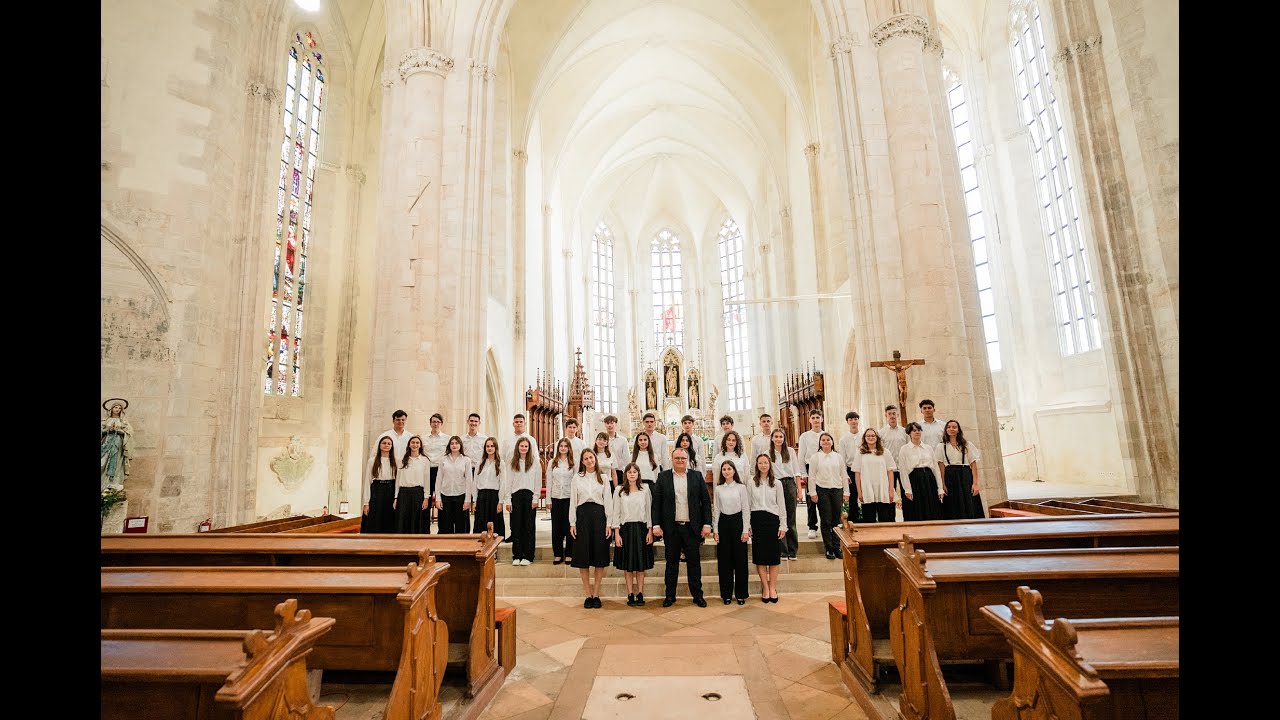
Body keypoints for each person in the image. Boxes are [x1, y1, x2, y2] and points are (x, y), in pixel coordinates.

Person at [651, 448, 713, 607]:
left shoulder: (696, 476)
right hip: (672, 528)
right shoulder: (663, 477)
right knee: (671, 563)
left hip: (692, 528)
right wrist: (656, 525)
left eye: (683, 458)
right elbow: (656, 503)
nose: (680, 461)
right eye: (677, 458)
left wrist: (707, 523)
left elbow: (706, 501)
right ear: (672, 459)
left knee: (694, 564)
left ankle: (697, 595)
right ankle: (670, 596)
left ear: (687, 460)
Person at [570, 448, 615, 608]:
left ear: (595, 459)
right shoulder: (577, 478)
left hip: (599, 517)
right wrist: (572, 523)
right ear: (582, 462)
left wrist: (609, 523)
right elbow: (573, 502)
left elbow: (608, 502)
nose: (589, 460)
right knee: (583, 557)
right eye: (586, 458)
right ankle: (587, 594)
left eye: (591, 457)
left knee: (599, 556)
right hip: (582, 516)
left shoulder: (603, 477)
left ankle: (596, 594)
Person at [613, 462, 654, 607]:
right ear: (625, 474)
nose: (632, 474)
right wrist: (616, 533)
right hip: (625, 529)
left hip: (642, 528)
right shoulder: (619, 490)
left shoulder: (645, 489)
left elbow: (649, 511)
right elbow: (616, 513)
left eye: (634, 472)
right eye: (629, 472)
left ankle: (640, 592)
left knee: (640, 565)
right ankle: (630, 593)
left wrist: (650, 530)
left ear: (638, 474)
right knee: (628, 565)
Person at [748, 453, 787, 602]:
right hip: (757, 520)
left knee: (773, 557)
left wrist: (783, 525)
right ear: (756, 465)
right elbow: (748, 505)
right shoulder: (751, 482)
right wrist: (748, 525)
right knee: (761, 558)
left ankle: (772, 587)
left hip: (772, 520)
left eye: (766, 463)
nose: (763, 465)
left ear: (770, 465)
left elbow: (782, 505)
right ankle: (765, 587)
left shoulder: (777, 483)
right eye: (760, 463)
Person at [713, 459, 751, 605]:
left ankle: (741, 594)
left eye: (729, 469)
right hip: (723, 523)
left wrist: (745, 529)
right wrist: (715, 529)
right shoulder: (718, 489)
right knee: (724, 561)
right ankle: (726, 594)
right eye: (724, 469)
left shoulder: (741, 487)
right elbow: (716, 509)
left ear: (734, 471)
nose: (727, 471)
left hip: (738, 522)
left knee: (740, 561)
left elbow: (746, 509)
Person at [807, 432, 850, 560]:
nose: (826, 442)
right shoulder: (815, 457)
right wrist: (813, 493)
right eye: (823, 440)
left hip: (837, 489)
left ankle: (837, 547)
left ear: (832, 442)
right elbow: (812, 476)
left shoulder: (838, 457)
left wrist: (846, 492)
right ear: (820, 443)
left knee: (836, 520)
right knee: (826, 519)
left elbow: (844, 474)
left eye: (828, 440)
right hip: (822, 490)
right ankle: (828, 548)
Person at [935, 420, 986, 519]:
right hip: (950, 476)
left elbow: (973, 465)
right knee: (953, 502)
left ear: (958, 430)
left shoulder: (967, 445)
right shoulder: (941, 446)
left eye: (954, 427)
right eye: (949, 427)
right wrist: (942, 484)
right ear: (946, 430)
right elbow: (941, 466)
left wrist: (975, 484)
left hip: (965, 474)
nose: (951, 429)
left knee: (968, 501)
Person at [504, 437, 542, 565]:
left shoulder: (535, 462)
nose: (524, 448)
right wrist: (508, 500)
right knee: (516, 526)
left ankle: (528, 555)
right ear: (517, 447)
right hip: (516, 496)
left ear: (529, 448)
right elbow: (508, 482)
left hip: (530, 496)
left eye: (526, 446)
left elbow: (537, 481)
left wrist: (536, 497)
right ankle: (517, 555)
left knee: (529, 526)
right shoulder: (512, 462)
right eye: (522, 446)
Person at [899, 422, 944, 521]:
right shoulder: (904, 449)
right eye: (914, 430)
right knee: (917, 508)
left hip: (929, 479)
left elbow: (935, 469)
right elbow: (903, 471)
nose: (917, 432)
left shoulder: (928, 448)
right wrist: (907, 489)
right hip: (914, 479)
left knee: (932, 507)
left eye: (919, 430)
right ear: (909, 433)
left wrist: (940, 488)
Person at [853, 428, 897, 523]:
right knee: (869, 520)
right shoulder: (860, 453)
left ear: (877, 437)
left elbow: (890, 472)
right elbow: (857, 474)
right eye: (868, 436)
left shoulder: (885, 452)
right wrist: (859, 492)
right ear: (864, 438)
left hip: (883, 489)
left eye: (873, 435)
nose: (871, 437)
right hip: (867, 490)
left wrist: (891, 490)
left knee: (885, 519)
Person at [769, 429, 800, 561]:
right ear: (772, 438)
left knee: (791, 518)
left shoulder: (791, 451)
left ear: (784, 438)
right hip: (775, 484)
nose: (778, 439)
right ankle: (783, 550)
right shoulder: (767, 453)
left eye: (780, 437)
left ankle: (793, 550)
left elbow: (797, 471)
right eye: (776, 437)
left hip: (789, 483)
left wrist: (798, 488)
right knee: (779, 517)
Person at [433, 435, 474, 534]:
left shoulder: (466, 460)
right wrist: (438, 498)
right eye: (452, 443)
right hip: (445, 495)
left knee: (462, 526)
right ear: (449, 446)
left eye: (456, 443)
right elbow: (438, 479)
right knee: (445, 526)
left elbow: (469, 481)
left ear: (460, 445)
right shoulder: (443, 460)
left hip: (461, 495)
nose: (454, 445)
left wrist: (468, 500)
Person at [796, 410, 826, 539]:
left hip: (824, 467)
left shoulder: (826, 434)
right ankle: (812, 526)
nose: (815, 420)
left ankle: (827, 524)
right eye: (813, 418)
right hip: (809, 468)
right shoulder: (805, 436)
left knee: (824, 496)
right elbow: (801, 455)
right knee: (811, 499)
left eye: (818, 417)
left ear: (822, 419)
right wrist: (803, 472)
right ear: (809, 420)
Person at [878, 405, 911, 520]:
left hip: (903, 468)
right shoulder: (881, 433)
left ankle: (908, 519)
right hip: (889, 469)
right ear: (886, 415)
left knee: (906, 492)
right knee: (890, 493)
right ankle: (891, 520)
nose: (892, 416)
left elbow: (908, 448)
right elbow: (880, 451)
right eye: (889, 414)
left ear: (897, 415)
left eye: (894, 413)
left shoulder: (904, 432)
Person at [360, 435, 398, 533]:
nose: (386, 445)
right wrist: (366, 503)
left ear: (392, 446)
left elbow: (398, 482)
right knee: (374, 519)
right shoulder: (372, 461)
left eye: (389, 444)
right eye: (384, 443)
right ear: (379, 445)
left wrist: (396, 498)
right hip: (376, 491)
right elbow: (368, 482)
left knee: (389, 519)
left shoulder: (395, 461)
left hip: (391, 490)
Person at [547, 438, 576, 565]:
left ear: (569, 448)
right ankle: (558, 554)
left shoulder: (573, 463)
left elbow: (576, 482)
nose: (563, 448)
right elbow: (549, 482)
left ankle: (569, 553)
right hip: (556, 497)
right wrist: (548, 499)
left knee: (569, 526)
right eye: (561, 446)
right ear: (558, 448)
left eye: (566, 446)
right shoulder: (552, 462)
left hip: (569, 497)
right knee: (556, 527)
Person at [394, 435, 430, 534]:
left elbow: (427, 480)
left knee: (416, 521)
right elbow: (398, 480)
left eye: (417, 443)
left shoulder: (424, 460)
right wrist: (396, 497)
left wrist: (426, 497)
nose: (415, 444)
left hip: (418, 493)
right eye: (413, 442)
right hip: (403, 493)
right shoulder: (402, 460)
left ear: (420, 445)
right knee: (403, 521)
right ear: (409, 445)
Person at [472, 437, 507, 536]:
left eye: (492, 446)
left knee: (494, 522)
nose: (490, 448)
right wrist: (474, 500)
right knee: (481, 522)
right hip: (482, 496)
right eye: (487, 446)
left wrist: (500, 501)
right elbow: (475, 482)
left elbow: (503, 483)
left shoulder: (501, 463)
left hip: (494, 496)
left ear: (496, 448)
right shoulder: (480, 462)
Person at [101, 399, 133, 489]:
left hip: (117, 444)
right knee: (103, 460)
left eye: (119, 408)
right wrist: (108, 430)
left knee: (115, 462)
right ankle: (102, 482)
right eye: (115, 407)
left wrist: (120, 431)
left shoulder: (123, 421)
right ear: (111, 409)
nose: (117, 409)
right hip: (106, 443)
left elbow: (129, 433)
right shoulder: (106, 420)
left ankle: (112, 482)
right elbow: (102, 430)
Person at [837, 412, 862, 522]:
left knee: (865, 495)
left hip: (864, 470)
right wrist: (845, 475)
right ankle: (854, 521)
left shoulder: (864, 436)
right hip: (850, 469)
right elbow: (842, 459)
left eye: (855, 419)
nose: (853, 421)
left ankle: (866, 521)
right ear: (847, 422)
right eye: (851, 419)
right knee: (852, 498)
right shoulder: (844, 439)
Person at [422, 413, 449, 502]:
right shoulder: (423, 439)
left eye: (438, 422)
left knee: (440, 498)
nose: (436, 424)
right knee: (426, 498)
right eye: (433, 422)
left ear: (441, 424)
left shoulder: (447, 439)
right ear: (430, 423)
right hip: (426, 470)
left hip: (440, 470)